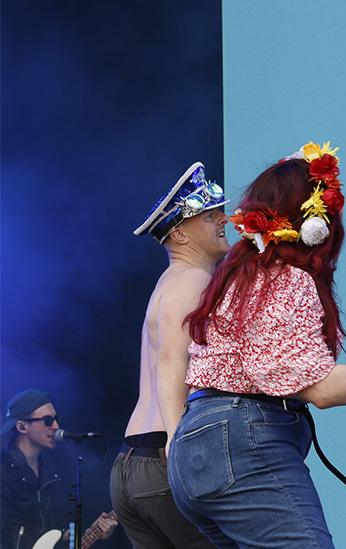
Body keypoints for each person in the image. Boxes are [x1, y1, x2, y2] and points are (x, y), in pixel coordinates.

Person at [167, 141, 346, 549]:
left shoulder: (238, 276)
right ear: (314, 224)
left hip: (195, 452)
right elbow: (323, 390)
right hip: (241, 442)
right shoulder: (286, 279)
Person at [112, 161, 227, 548]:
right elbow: (171, 362)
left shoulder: (170, 281)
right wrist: (178, 448)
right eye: (209, 216)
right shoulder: (192, 281)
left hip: (133, 464)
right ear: (179, 234)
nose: (222, 219)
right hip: (162, 456)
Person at [1, 390, 118, 548]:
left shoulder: (51, 468)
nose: (56, 426)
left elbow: (52, 529)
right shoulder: (4, 470)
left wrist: (93, 532)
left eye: (56, 419)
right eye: (48, 420)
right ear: (22, 427)